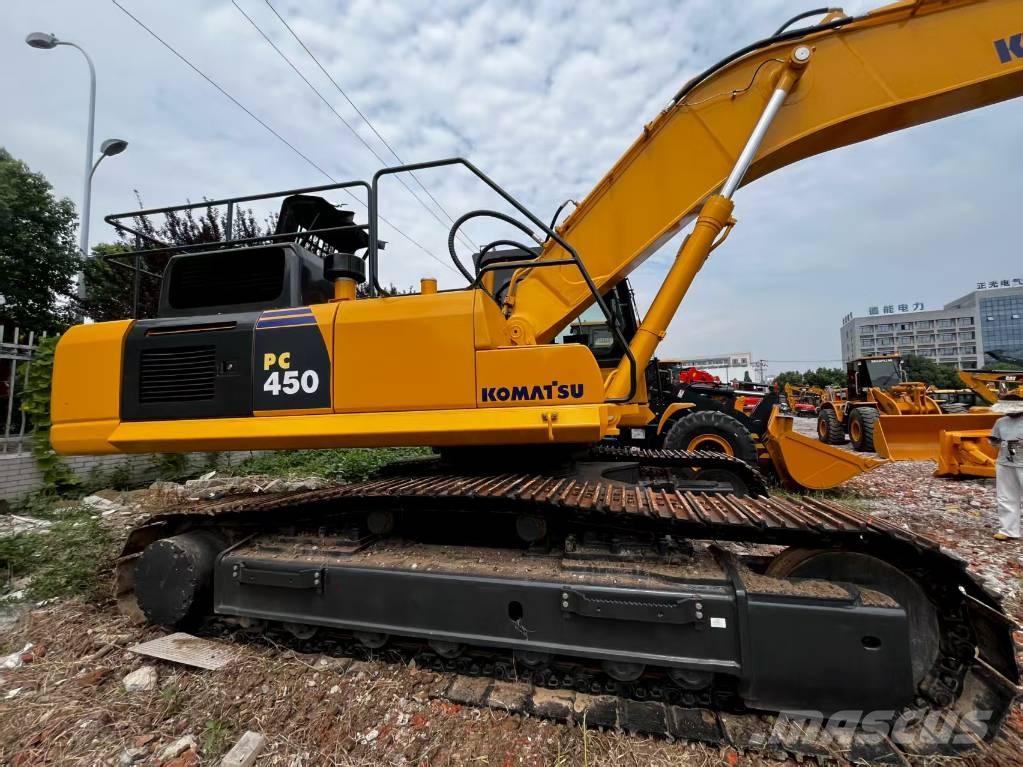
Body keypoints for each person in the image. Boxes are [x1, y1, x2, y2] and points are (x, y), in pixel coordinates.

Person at [990, 397, 1023, 541]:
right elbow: (994, 440)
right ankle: (1008, 530)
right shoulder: (1001, 422)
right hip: (1005, 463)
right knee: (1006, 496)